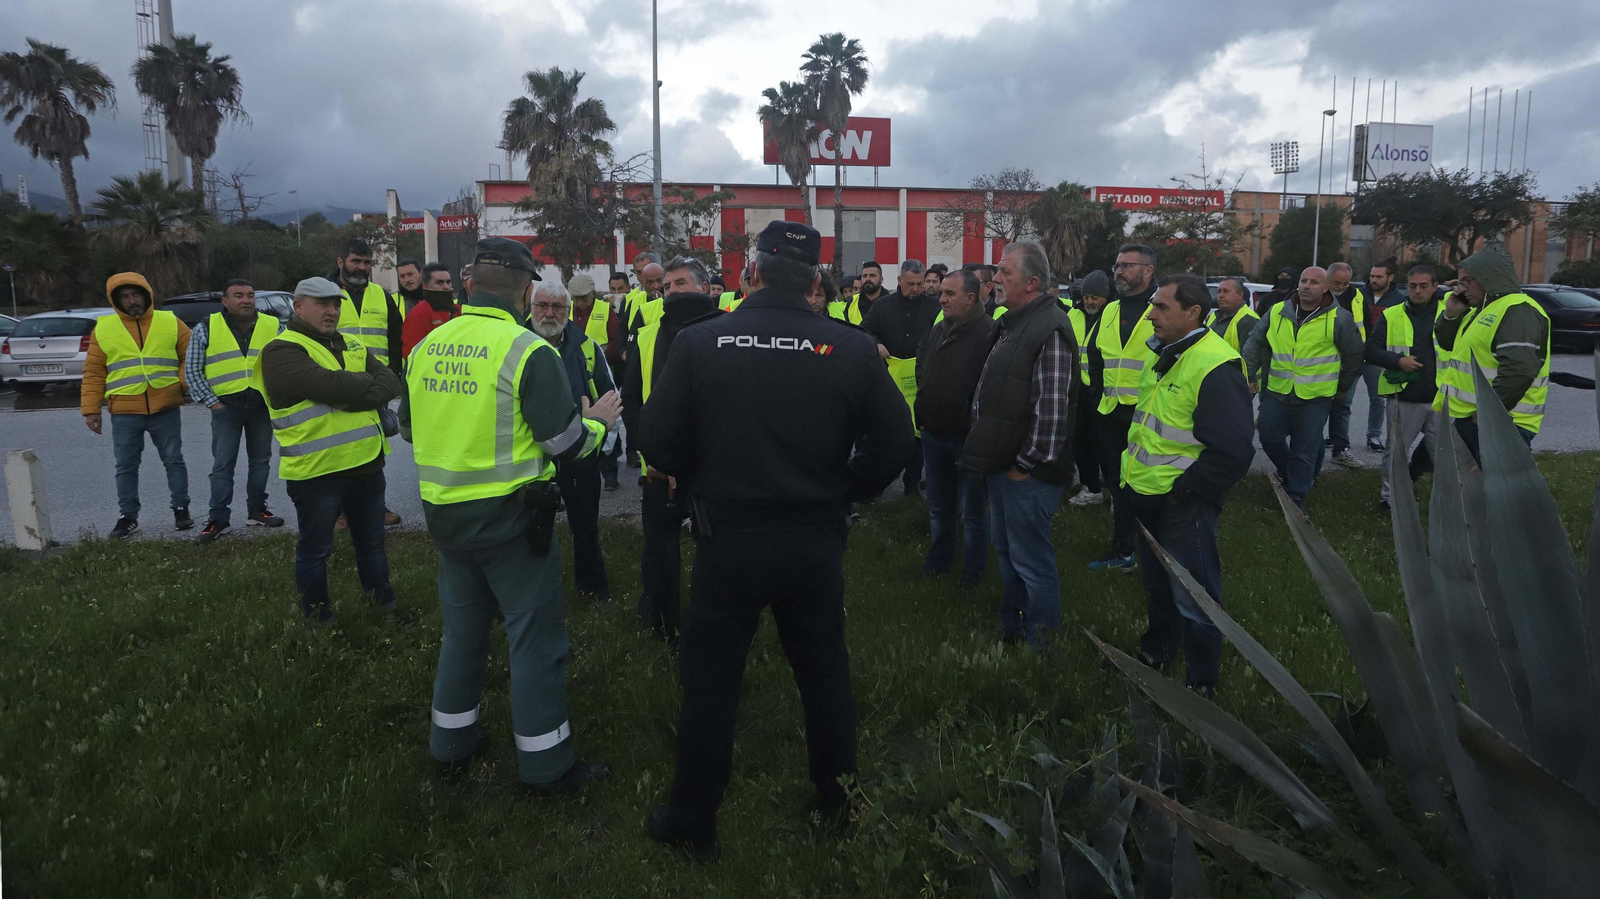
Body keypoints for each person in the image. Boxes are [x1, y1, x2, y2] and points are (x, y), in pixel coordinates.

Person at [642, 220, 912, 860]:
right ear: (818, 281)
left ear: (750, 274)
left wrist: (699, 477)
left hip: (727, 539)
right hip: (814, 538)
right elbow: (897, 441)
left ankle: (692, 817)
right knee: (824, 670)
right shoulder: (848, 348)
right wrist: (849, 490)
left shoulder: (700, 341)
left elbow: (657, 440)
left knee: (711, 681)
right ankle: (837, 800)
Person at [402, 238, 619, 793]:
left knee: (463, 634)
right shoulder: (528, 351)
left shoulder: (427, 347)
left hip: (445, 520)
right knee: (534, 641)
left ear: (469, 283)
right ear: (527, 291)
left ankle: (451, 745)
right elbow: (566, 444)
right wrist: (596, 421)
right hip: (511, 524)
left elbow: (408, 427)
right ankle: (548, 767)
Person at [1121, 274, 1254, 697]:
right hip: (1146, 492)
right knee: (1158, 585)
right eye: (1153, 305)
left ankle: (1201, 683)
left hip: (1183, 501)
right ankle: (1158, 650)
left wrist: (1186, 491)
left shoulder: (1216, 364)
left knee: (1195, 595)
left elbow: (1233, 451)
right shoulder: (1168, 352)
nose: (1151, 313)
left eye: (1161, 307)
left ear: (1193, 312)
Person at [256, 277, 403, 622]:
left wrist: (347, 394)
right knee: (315, 551)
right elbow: (331, 385)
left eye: (336, 304)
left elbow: (391, 381)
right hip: (316, 471)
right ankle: (319, 619)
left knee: (372, 546)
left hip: (366, 465)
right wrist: (357, 389)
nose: (332, 310)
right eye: (322, 303)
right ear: (298, 306)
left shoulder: (351, 341)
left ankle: (385, 607)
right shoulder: (281, 350)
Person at [964, 241, 1078, 647]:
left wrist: (1023, 466)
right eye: (997, 270)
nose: (994, 279)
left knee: (1032, 563)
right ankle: (1013, 630)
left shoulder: (1049, 328)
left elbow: (1051, 413)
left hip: (1026, 474)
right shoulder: (1012, 321)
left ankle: (1041, 648)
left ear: (1031, 283)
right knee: (1010, 557)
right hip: (1005, 467)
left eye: (1004, 272)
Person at [623, 255, 722, 643]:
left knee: (714, 551)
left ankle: (711, 622)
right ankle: (658, 620)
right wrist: (650, 454)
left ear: (703, 287)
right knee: (659, 550)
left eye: (680, 284)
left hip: (711, 470)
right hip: (659, 471)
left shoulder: (726, 332)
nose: (671, 292)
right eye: (667, 287)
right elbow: (631, 400)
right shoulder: (648, 337)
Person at [1241, 266, 1365, 507]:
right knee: (1269, 439)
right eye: (1304, 281)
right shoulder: (1277, 311)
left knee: (1304, 448)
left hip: (1316, 396)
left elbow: (1353, 355)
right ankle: (1295, 474)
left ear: (1326, 287)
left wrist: (1343, 387)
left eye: (1314, 282)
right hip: (1277, 391)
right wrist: (1249, 375)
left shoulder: (1339, 318)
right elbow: (1255, 342)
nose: (1307, 286)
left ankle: (1296, 496)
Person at [81, 272, 193, 538]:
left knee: (174, 460)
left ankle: (181, 508)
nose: (132, 301)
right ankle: (128, 516)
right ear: (116, 301)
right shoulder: (104, 328)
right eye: (125, 297)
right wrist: (91, 409)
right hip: (124, 409)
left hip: (165, 406)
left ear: (146, 295)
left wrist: (181, 385)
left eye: (136, 294)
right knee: (126, 466)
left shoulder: (170, 321)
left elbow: (190, 356)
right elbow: (94, 371)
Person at [529, 280, 617, 602]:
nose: (549, 313)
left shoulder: (586, 347)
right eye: (542, 306)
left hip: (579, 453)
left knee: (585, 528)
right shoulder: (514, 342)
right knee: (529, 530)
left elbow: (610, 397)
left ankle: (592, 591)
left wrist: (599, 425)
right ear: (532, 308)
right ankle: (533, 594)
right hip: (530, 457)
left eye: (557, 307)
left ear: (569, 311)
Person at [187, 278, 286, 543]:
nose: (246, 300)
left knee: (261, 462)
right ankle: (218, 519)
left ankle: (257, 511)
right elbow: (193, 370)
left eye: (250, 295)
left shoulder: (273, 325)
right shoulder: (207, 327)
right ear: (225, 302)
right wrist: (212, 403)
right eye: (239, 295)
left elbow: (286, 362)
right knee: (222, 466)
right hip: (225, 408)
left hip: (261, 407)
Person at [1433, 246, 1551, 461]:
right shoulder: (1482, 311)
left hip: (1503, 421)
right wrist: (1451, 314)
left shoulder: (1518, 309)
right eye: (1461, 282)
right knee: (1474, 487)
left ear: (1490, 278)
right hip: (1472, 418)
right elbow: (1448, 344)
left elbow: (1520, 369)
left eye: (1467, 281)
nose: (1462, 288)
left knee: (1498, 490)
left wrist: (1488, 413)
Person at [914, 268, 994, 587]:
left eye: (949, 294)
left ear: (970, 298)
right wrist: (925, 390)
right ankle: (939, 561)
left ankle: (973, 575)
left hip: (968, 440)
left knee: (973, 513)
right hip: (933, 434)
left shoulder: (989, 333)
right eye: (942, 293)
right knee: (939, 505)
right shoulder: (939, 328)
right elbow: (922, 360)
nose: (941, 299)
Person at [1087, 244, 1160, 573]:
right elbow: (1095, 355)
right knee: (1118, 485)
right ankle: (1123, 550)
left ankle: (1156, 551)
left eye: (1127, 265)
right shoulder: (1111, 309)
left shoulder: (1166, 306)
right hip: (1111, 412)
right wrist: (1097, 397)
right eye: (1117, 264)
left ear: (1148, 271)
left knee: (1149, 486)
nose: (1119, 271)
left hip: (1150, 414)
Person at [331, 237, 407, 527]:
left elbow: (395, 339)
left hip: (375, 385)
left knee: (373, 448)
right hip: (337, 383)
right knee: (339, 448)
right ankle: (340, 511)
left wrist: (395, 377)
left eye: (366, 263)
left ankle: (376, 507)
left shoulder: (381, 295)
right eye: (355, 261)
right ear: (341, 262)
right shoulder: (327, 293)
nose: (362, 268)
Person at [861, 258, 941, 499]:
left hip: (920, 376)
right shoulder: (883, 306)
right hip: (889, 376)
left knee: (917, 434)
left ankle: (912, 483)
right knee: (885, 432)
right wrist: (876, 343)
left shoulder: (933, 306)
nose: (915, 289)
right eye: (910, 284)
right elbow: (864, 330)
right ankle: (876, 484)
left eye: (919, 284)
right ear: (899, 281)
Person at [1368, 264, 1443, 509]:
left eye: (1423, 286)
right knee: (1396, 454)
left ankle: (1449, 500)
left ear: (1434, 287)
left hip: (1443, 396)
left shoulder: (1450, 313)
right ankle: (1390, 500)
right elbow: (1371, 351)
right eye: (1412, 286)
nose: (1418, 291)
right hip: (1405, 396)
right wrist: (1397, 360)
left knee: (1446, 456)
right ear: (1405, 287)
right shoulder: (1392, 314)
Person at [569, 272, 623, 491]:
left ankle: (610, 473)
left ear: (593, 293)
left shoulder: (605, 309)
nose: (580, 302)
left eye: (584, 297)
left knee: (608, 421)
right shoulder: (566, 309)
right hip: (575, 372)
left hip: (601, 371)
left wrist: (603, 354)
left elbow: (615, 339)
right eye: (576, 298)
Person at [1068, 270, 1111, 506]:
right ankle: (1091, 487)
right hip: (1079, 391)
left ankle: (1114, 490)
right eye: (1086, 297)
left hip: (1105, 391)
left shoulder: (1113, 316)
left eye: (1095, 297)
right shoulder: (1073, 314)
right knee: (1081, 442)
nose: (1090, 302)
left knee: (1107, 445)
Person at [1325, 261, 1374, 463]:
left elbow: (1367, 326)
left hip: (1349, 362)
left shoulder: (1356, 296)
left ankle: (1340, 449)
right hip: (1321, 363)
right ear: (1327, 279)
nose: (1341, 287)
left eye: (1345, 283)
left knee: (1343, 404)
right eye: (1337, 282)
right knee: (1313, 407)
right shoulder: (1317, 296)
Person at [400, 262, 460, 359]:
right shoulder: (418, 315)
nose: (446, 287)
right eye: (439, 282)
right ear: (425, 286)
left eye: (448, 282)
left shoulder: (459, 310)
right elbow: (411, 353)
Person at [1207, 276, 1260, 369]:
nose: (1221, 295)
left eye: (1226, 291)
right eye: (1219, 291)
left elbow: (1252, 356)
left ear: (1240, 295)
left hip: (1234, 377)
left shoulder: (1248, 319)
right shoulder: (1214, 316)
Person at [831, 260, 883, 324]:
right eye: (864, 276)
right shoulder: (852, 302)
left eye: (872, 275)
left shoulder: (891, 303)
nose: (868, 279)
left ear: (881, 279)